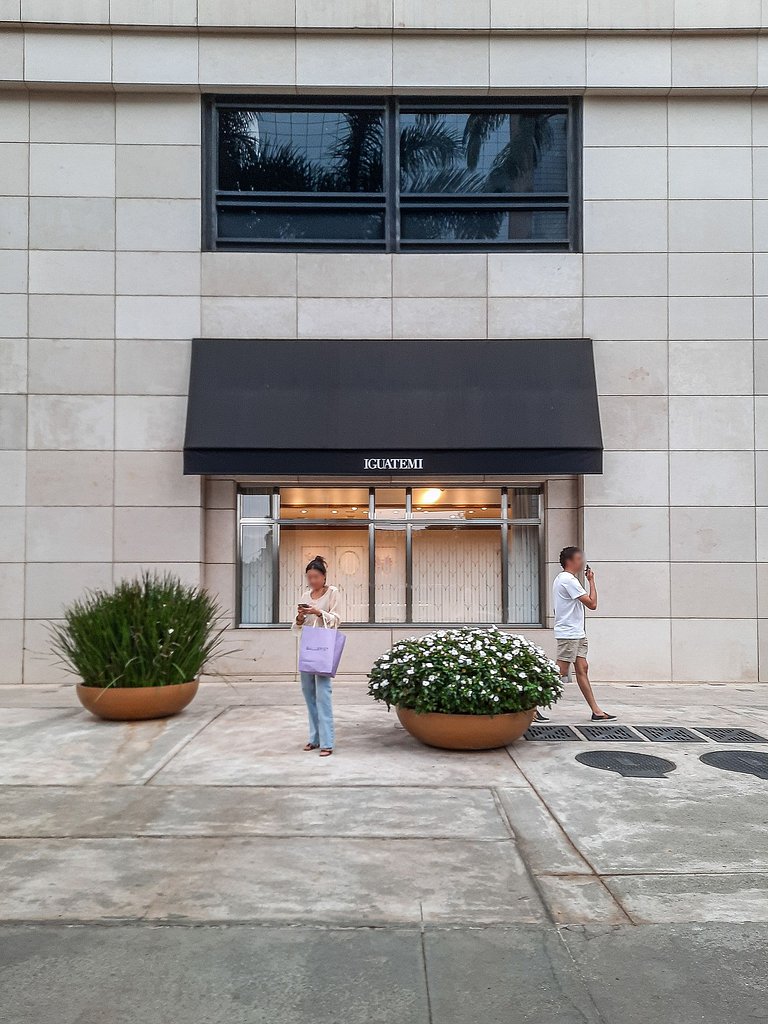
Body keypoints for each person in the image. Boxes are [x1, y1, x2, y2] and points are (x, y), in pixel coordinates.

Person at [553, 546, 615, 722]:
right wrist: (592, 582)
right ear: (571, 561)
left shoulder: (564, 579)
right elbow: (592, 604)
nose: (583, 562)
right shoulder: (568, 580)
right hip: (569, 633)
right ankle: (531, 706)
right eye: (580, 559)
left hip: (576, 633)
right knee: (560, 671)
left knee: (582, 668)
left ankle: (596, 711)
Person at [292, 554, 342, 757]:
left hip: (323, 647)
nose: (312, 581)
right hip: (308, 646)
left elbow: (337, 619)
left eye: (315, 577)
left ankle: (327, 742)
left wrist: (318, 612)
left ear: (323, 577)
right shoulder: (305, 596)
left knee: (323, 694)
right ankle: (314, 738)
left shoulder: (332, 593)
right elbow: (296, 626)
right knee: (308, 693)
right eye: (309, 577)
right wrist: (301, 616)